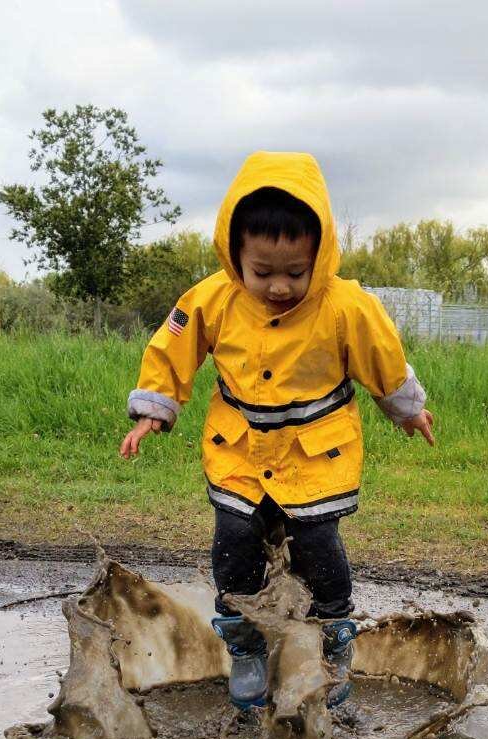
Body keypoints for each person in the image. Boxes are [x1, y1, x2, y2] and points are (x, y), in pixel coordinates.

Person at [120, 151, 434, 709]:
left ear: (321, 254)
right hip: (238, 452)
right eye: (262, 272)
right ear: (235, 253)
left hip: (315, 455)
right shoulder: (212, 298)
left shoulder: (345, 307)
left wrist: (405, 407)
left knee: (316, 543)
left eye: (295, 272)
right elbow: (175, 349)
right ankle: (245, 646)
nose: (280, 287)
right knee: (236, 540)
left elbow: (381, 357)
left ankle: (334, 645)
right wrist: (155, 407)